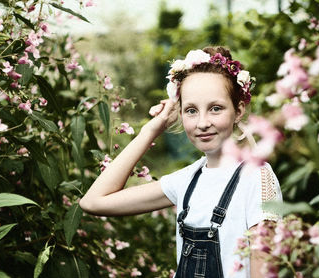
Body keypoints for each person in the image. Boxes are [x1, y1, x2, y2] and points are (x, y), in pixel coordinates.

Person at [79, 46, 282, 277]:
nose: (202, 122)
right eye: (191, 110)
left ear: (238, 111)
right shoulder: (186, 180)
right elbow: (93, 202)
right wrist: (151, 130)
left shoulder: (256, 177)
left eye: (216, 109)